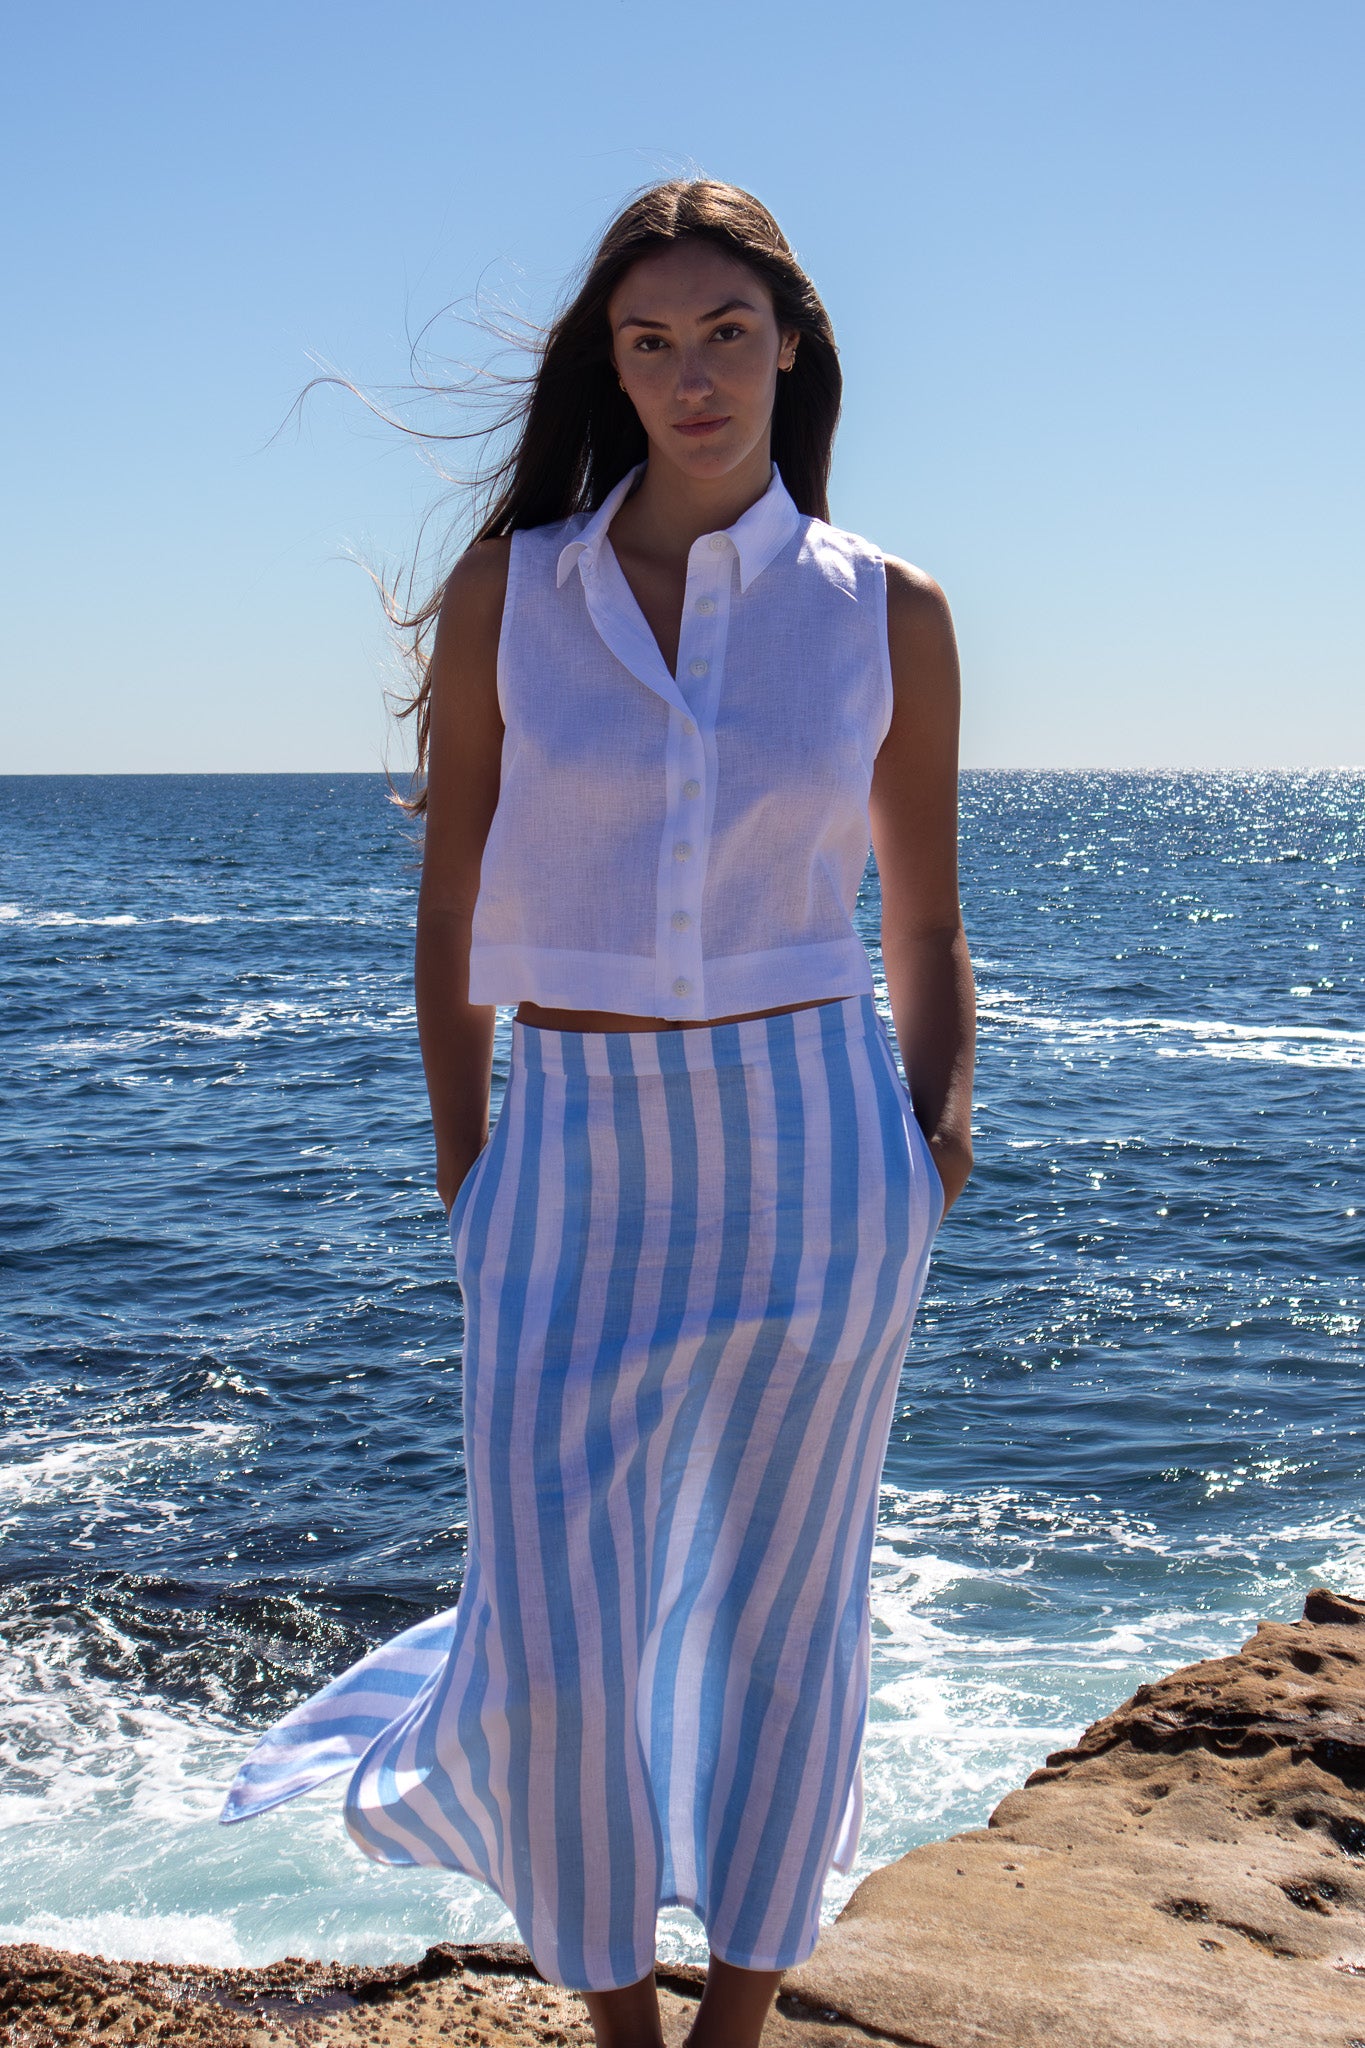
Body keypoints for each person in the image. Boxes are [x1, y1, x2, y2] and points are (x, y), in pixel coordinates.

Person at [221, 177, 976, 2048]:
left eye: (727, 331)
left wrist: (932, 1140)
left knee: (788, 1611)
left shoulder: (889, 608)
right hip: (566, 1141)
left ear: (789, 343)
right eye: (650, 340)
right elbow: (450, 898)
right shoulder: (516, 591)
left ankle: (734, 2018)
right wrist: (470, 1166)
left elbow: (930, 909)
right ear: (608, 366)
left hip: (816, 1147)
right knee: (556, 1626)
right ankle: (614, 2019)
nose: (692, 373)